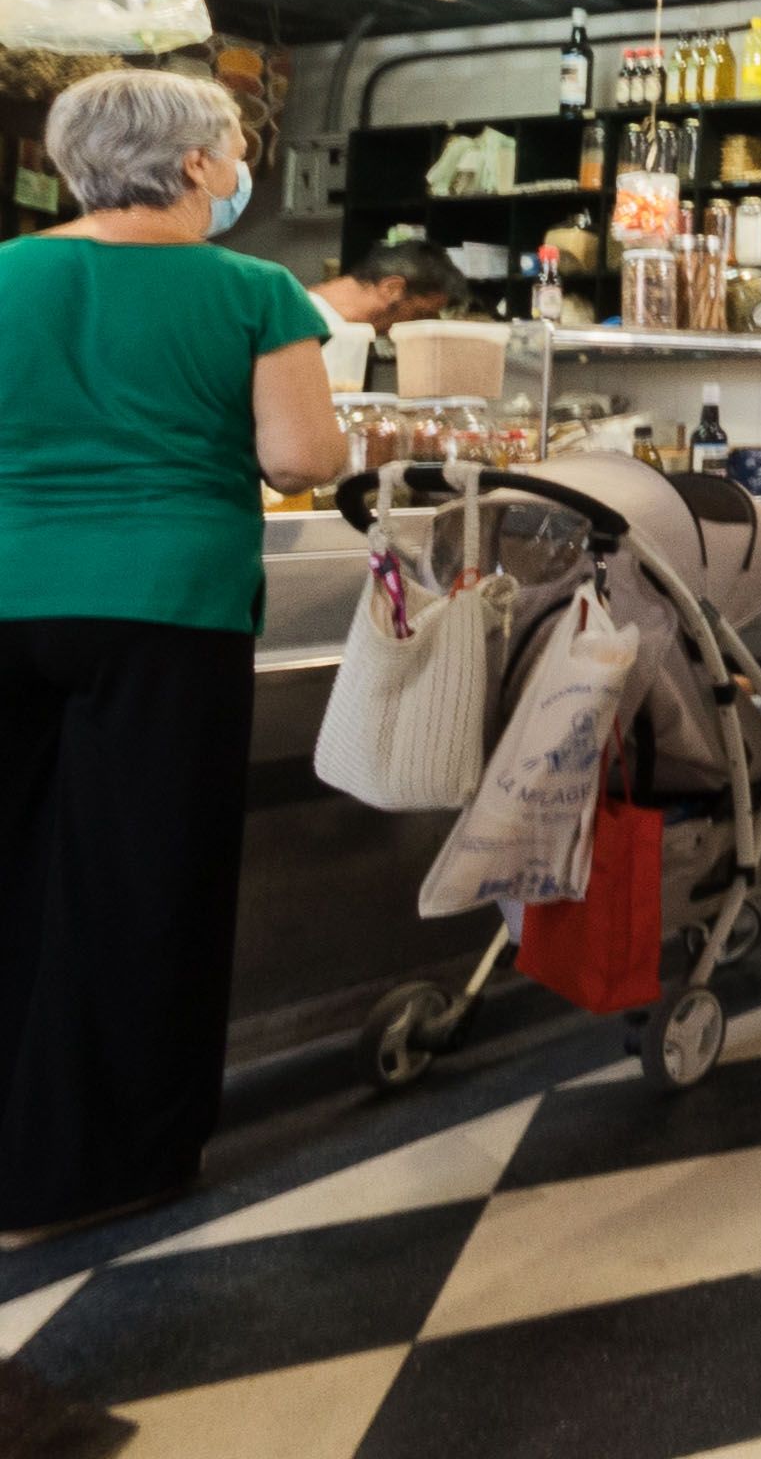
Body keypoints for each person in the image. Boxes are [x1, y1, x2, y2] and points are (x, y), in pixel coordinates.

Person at [1, 70, 343, 1248]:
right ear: (196, 165)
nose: (241, 166)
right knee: (147, 884)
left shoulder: (5, 274)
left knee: (18, 877)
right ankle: (116, 1165)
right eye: (235, 147)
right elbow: (305, 449)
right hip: (167, 606)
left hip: (7, 595)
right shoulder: (256, 290)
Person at [306, 235, 467, 391]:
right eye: (421, 313)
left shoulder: (354, 330)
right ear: (392, 288)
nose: (420, 326)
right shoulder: (304, 319)